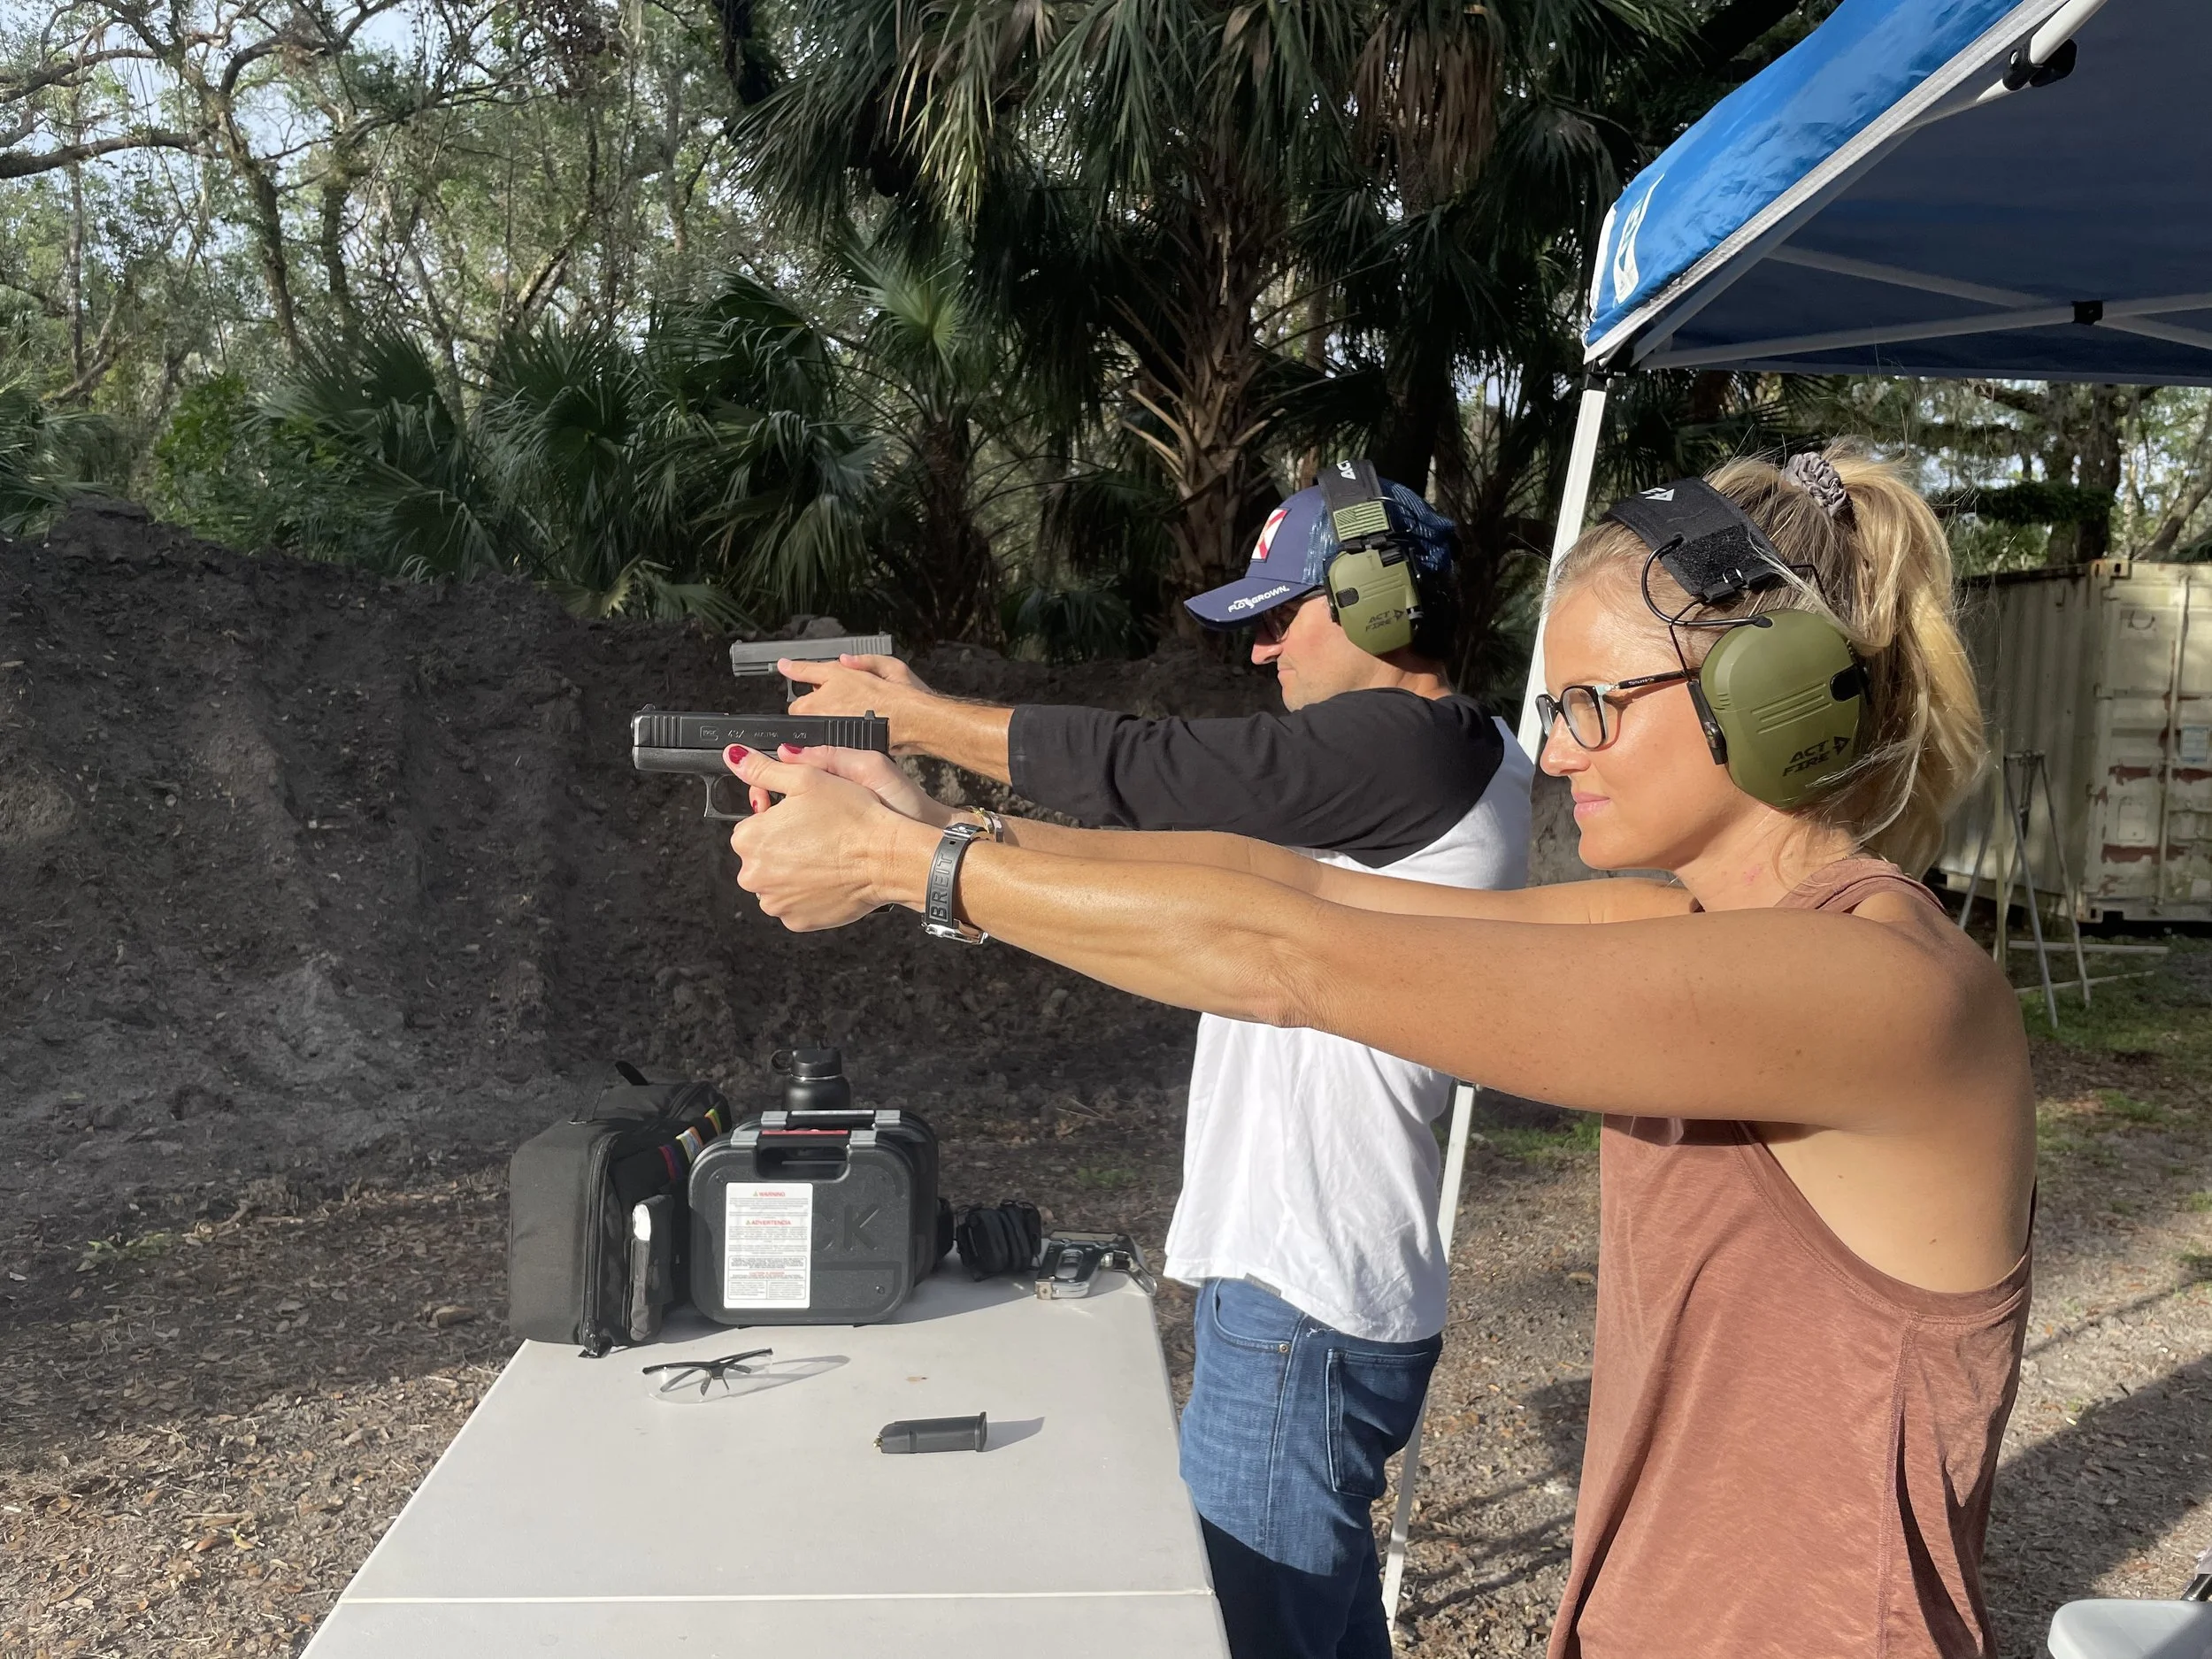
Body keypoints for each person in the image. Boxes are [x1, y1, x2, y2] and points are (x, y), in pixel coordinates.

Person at [720, 447, 2035, 1659]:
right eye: (1557, 703)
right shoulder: (1685, 922)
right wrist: (935, 828)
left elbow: (1292, 960)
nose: (1558, 746)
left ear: (1775, 692)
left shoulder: (1882, 990)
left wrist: (908, 866)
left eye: (1598, 703)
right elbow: (1284, 892)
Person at [767, 469, 1533, 1659]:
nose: (1261, 651)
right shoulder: (1419, 774)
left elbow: (1149, 766)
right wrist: (926, 826)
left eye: (1282, 616)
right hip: (1303, 1287)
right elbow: (1178, 868)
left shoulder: (1421, 748)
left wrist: (916, 718)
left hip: (1305, 1294)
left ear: (1379, 601)